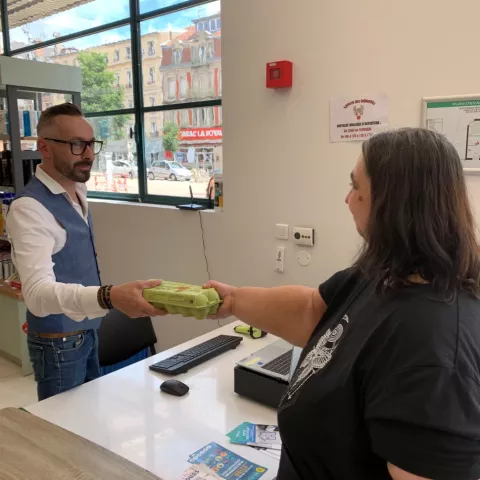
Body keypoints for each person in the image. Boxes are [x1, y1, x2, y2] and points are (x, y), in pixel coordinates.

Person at [205, 128, 480, 480]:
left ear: (390, 205)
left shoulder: (435, 354)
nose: (347, 200)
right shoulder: (386, 271)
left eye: (356, 188)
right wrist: (233, 300)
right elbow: (313, 312)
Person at [7, 103, 165, 401]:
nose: (89, 154)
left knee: (93, 415)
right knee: (64, 432)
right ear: (45, 147)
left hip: (90, 329)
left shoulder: (78, 191)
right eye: (77, 145)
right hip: (58, 343)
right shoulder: (29, 209)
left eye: (91, 144)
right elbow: (37, 296)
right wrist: (108, 296)